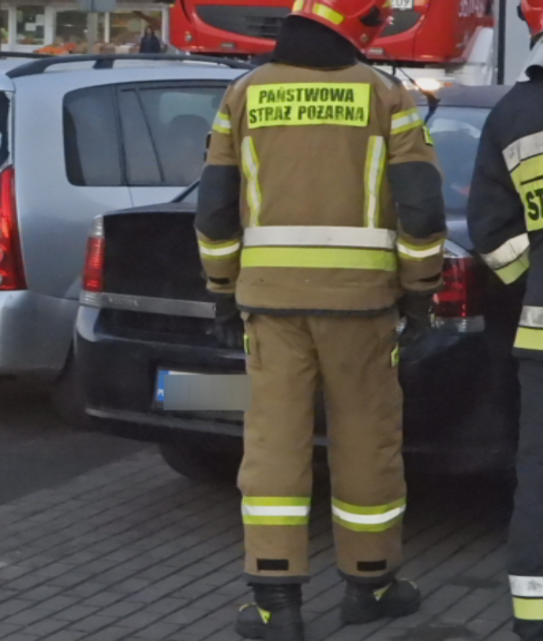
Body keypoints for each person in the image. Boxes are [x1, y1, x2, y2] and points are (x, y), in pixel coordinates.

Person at [194, 1, 447, 639]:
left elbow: (216, 209)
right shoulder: (387, 96)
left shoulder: (243, 94)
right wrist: (419, 294)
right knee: (367, 441)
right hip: (363, 307)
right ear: (356, 28)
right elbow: (421, 209)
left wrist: (223, 291)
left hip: (271, 307)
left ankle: (276, 604)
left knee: (274, 448)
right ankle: (372, 586)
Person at [468, 2, 543, 638]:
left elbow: (492, 234)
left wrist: (532, 286)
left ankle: (533, 620)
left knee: (539, 481)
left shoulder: (510, 115)